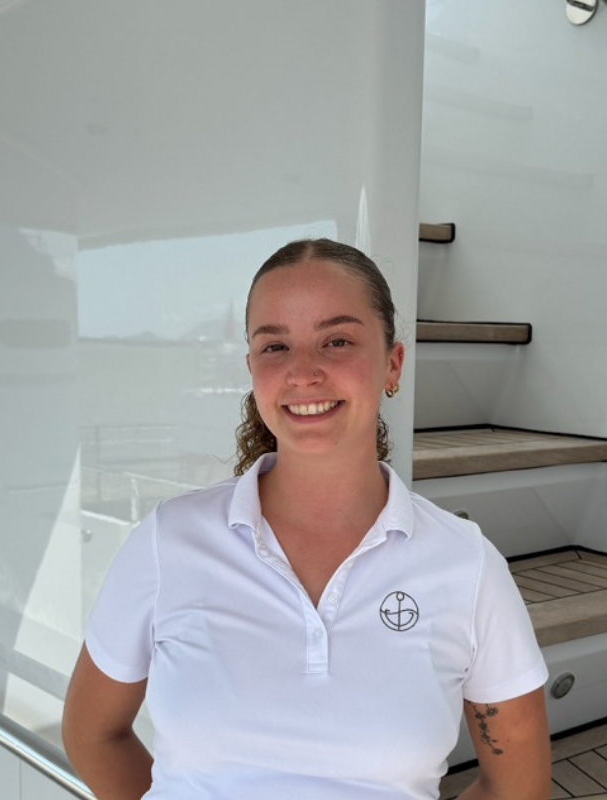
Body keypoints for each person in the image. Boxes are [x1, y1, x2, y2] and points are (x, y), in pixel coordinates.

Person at [62, 238, 551, 800]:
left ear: (393, 363)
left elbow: (516, 788)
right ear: (252, 369)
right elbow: (92, 734)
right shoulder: (169, 540)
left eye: (336, 341)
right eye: (275, 347)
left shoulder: (466, 565)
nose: (302, 372)